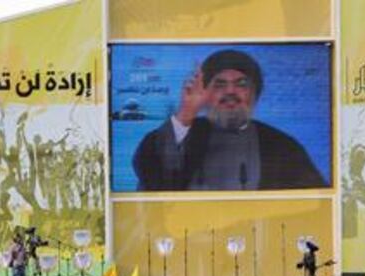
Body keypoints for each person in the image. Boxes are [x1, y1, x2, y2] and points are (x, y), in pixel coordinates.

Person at [132, 49, 325, 191]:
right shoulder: (184, 131)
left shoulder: (280, 146)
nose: (230, 91)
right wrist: (185, 113)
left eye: (241, 84)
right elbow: (150, 168)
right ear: (204, 94)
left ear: (255, 94)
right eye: (220, 84)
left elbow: (314, 200)